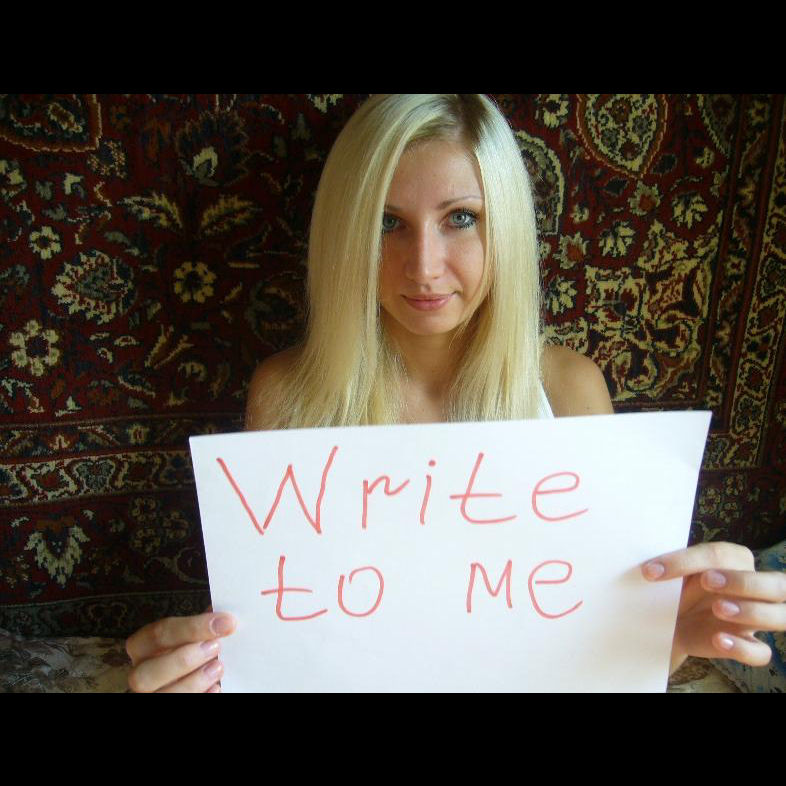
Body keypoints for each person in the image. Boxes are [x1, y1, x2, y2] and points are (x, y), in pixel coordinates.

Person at [126, 94, 785, 693]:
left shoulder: (567, 391)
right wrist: (212, 672)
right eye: (387, 223)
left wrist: (669, 637)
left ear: (506, 228)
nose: (424, 266)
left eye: (461, 218)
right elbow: (287, 640)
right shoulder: (289, 394)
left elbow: (594, 654)